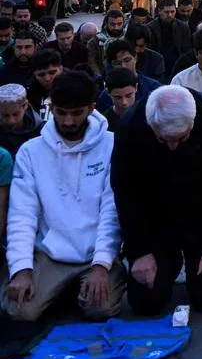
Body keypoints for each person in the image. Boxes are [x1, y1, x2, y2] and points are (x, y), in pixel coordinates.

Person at [111, 85, 202, 315]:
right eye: (164, 140)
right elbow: (126, 194)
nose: (172, 147)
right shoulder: (131, 125)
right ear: (151, 125)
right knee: (145, 301)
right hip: (157, 218)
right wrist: (140, 251)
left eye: (180, 139)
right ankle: (169, 261)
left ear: (192, 123)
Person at [4, 71, 124, 321]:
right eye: (61, 112)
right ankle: (60, 288)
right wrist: (21, 269)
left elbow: (112, 211)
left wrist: (102, 265)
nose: (68, 121)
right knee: (18, 311)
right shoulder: (31, 151)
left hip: (95, 254)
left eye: (76, 113)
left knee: (98, 310)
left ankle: (100, 280)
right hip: (50, 254)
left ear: (92, 108)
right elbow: (22, 214)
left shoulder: (112, 145)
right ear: (51, 107)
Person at [98, 66, 155, 132]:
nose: (124, 102)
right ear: (108, 93)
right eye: (118, 97)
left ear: (136, 87)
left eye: (128, 96)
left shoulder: (149, 117)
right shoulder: (103, 123)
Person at [147, 0, 192, 79]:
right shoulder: (150, 28)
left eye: (172, 12)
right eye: (166, 12)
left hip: (177, 66)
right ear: (159, 11)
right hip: (157, 66)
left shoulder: (183, 27)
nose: (170, 15)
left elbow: (187, 49)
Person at [0, 82, 41, 157]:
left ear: (25, 105)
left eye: (16, 114)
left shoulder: (41, 130)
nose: (11, 120)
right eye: (5, 115)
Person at [27, 46, 63, 118]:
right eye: (41, 75)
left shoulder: (76, 87)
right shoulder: (29, 93)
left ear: (61, 69)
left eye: (52, 73)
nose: (47, 79)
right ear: (35, 74)